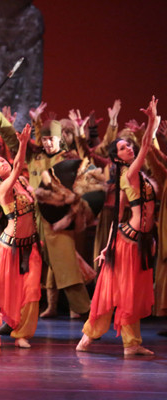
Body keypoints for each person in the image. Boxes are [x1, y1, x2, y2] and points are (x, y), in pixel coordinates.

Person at [0, 94, 90, 319]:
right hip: (31, 223)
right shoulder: (35, 157)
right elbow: (12, 139)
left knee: (67, 268)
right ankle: (13, 318)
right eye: (44, 139)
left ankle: (86, 312)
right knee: (25, 273)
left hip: (57, 222)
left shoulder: (68, 159)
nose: (48, 143)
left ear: (60, 139)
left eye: (52, 139)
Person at [77, 97, 160, 356]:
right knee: (116, 291)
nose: (129, 149)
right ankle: (89, 336)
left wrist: (107, 246)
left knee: (131, 294)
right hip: (130, 242)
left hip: (138, 241)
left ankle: (131, 343)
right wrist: (152, 120)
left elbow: (118, 216)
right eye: (123, 148)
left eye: (129, 146)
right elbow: (146, 145)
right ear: (117, 157)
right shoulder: (130, 174)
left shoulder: (133, 178)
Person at [0, 124, 42, 348]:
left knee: (32, 290)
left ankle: (22, 334)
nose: (2, 163)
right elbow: (18, 165)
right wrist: (23, 143)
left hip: (31, 246)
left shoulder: (22, 182)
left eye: (2, 160)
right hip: (10, 249)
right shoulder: (3, 189)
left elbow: (18, 167)